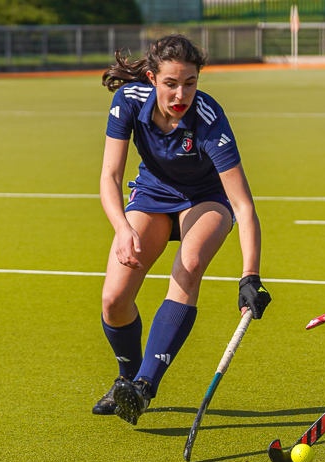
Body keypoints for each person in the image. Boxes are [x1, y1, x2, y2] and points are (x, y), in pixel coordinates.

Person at [93, 34, 271, 425]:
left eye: (189, 82)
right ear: (152, 78)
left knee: (188, 264)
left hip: (206, 200)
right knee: (113, 300)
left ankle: (144, 387)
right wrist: (122, 228)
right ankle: (128, 377)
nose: (180, 94)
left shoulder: (208, 118)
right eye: (171, 83)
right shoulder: (129, 102)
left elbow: (242, 203)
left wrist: (250, 275)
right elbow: (109, 175)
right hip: (153, 196)